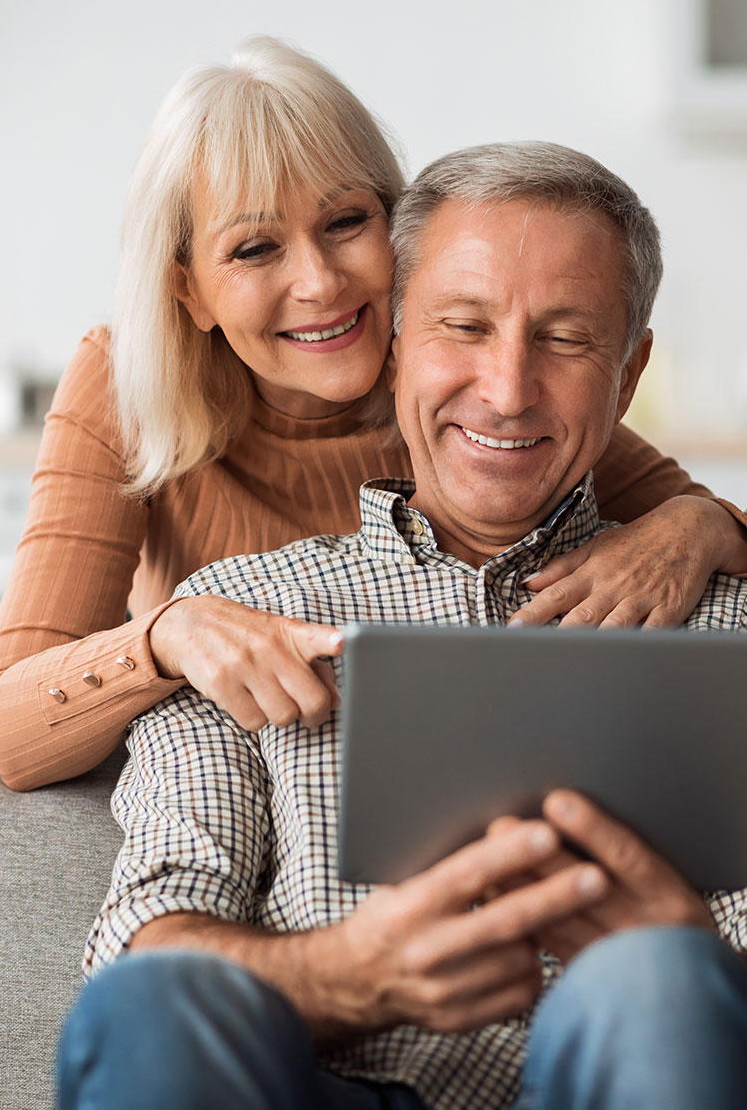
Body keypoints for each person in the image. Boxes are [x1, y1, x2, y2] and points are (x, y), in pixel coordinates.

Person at [60, 143, 747, 1110]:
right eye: (463, 327)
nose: (507, 390)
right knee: (153, 1006)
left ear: (628, 374)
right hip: (332, 1087)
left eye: (566, 339)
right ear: (391, 351)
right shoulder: (244, 618)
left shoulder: (728, 627)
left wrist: (701, 970)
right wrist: (352, 973)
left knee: (664, 983)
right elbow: (151, 939)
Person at [0, 38, 747, 792]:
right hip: (237, 796)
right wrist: (170, 633)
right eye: (253, 249)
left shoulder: (473, 399)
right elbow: (9, 730)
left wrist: (700, 525)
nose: (318, 283)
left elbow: (682, 515)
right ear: (190, 293)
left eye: (345, 222)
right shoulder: (126, 385)